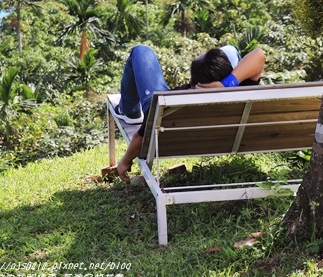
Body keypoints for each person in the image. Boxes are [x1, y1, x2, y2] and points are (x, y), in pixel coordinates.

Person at [112, 44, 266, 182]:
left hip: (168, 111)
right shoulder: (242, 91)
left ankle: (128, 111)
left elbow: (140, 138)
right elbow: (259, 54)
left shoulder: (169, 101)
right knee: (230, 50)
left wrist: (125, 161)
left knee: (141, 51)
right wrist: (225, 84)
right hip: (227, 129)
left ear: (192, 81)